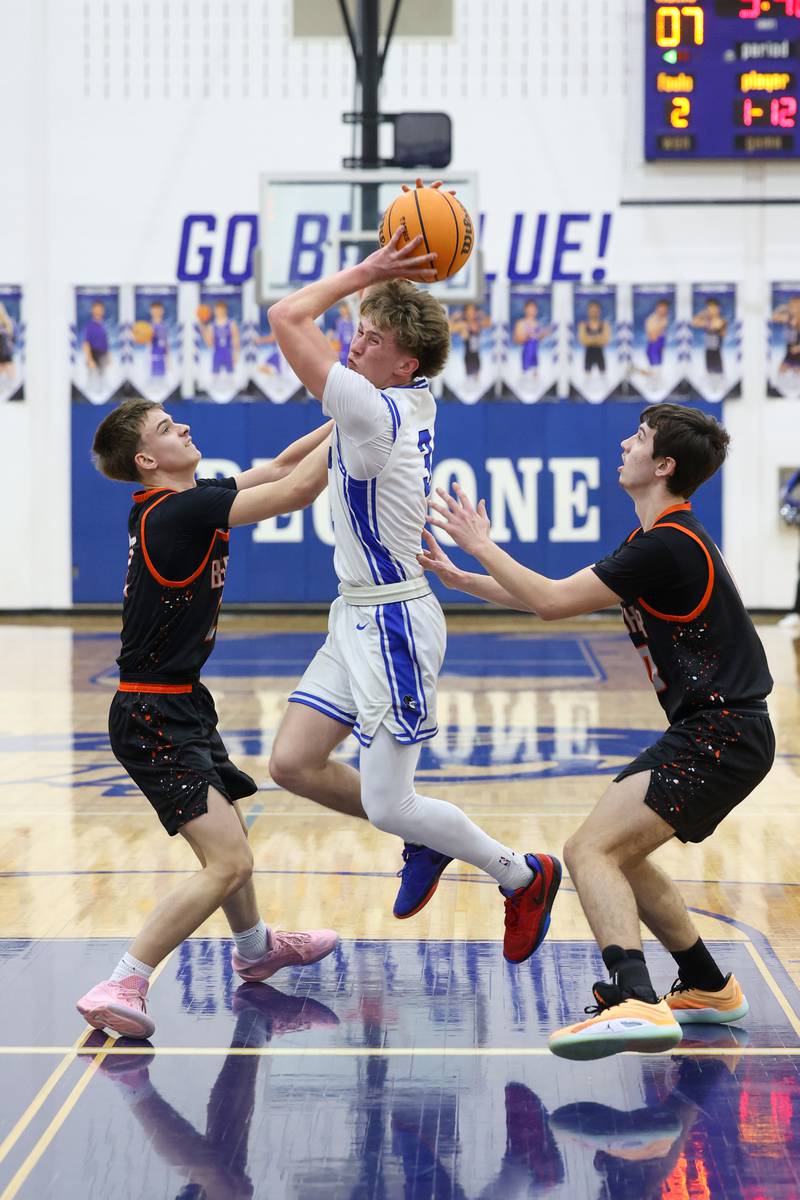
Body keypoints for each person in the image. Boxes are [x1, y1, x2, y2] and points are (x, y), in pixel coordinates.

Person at [419, 402, 774, 1059]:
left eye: (638, 439)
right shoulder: (657, 542)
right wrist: (465, 576)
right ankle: (705, 985)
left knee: (591, 851)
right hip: (721, 729)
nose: (624, 444)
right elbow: (554, 592)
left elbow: (552, 603)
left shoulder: (669, 543)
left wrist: (480, 543)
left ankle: (635, 997)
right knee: (620, 851)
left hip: (722, 729)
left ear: (663, 465)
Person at [265, 187, 560, 967]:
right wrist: (386, 276)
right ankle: (420, 835)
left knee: (392, 799)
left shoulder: (374, 412)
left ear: (401, 360)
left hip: (392, 620)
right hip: (355, 612)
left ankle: (521, 874)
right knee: (291, 763)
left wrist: (365, 265)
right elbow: (365, 335)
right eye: (355, 335)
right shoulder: (414, 394)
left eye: (369, 339)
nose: (353, 344)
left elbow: (287, 318)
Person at [76, 399, 338, 1038]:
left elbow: (279, 464)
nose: (184, 427)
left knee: (234, 840)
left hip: (177, 701)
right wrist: (376, 413)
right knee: (229, 863)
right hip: (152, 712)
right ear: (146, 461)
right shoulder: (178, 511)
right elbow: (299, 489)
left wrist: (349, 408)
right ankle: (124, 978)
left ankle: (255, 948)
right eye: (167, 429)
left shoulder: (187, 500)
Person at [692, 297, 727, 377]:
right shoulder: (707, 320)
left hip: (716, 353)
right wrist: (703, 313)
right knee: (709, 374)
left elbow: (715, 326)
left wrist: (706, 321)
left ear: (718, 308)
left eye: (713, 307)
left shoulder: (722, 320)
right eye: (709, 308)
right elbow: (694, 322)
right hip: (708, 351)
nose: (710, 310)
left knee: (718, 375)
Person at [578, 299, 610, 374]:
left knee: (603, 377)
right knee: (587, 378)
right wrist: (598, 338)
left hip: (600, 355)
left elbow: (605, 341)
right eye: (592, 311)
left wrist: (590, 338)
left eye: (596, 311)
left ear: (599, 312)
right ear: (588, 311)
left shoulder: (605, 325)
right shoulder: (583, 325)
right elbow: (583, 341)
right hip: (588, 355)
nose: (594, 313)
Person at [148, 300, 169, 379]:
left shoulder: (164, 326)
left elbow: (166, 342)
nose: (157, 312)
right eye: (155, 310)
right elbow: (147, 343)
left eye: (159, 310)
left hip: (163, 358)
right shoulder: (148, 327)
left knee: (162, 378)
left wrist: (168, 358)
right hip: (153, 358)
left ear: (162, 311)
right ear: (151, 311)